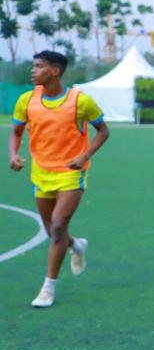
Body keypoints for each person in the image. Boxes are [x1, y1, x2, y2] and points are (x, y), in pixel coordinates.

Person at [8, 51, 111, 308]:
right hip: (41, 173)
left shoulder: (80, 101)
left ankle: (48, 288)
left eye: (39, 66)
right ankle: (76, 245)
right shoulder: (26, 100)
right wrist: (13, 154)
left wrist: (84, 155)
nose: (33, 70)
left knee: (57, 226)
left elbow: (103, 131)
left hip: (71, 172)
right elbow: (16, 132)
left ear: (55, 71)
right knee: (54, 231)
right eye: (33, 66)